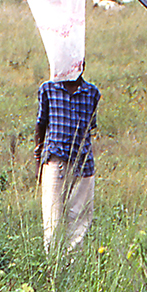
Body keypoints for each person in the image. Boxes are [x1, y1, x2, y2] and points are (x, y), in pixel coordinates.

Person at [34, 75, 100, 251]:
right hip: (55, 163)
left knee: (78, 222)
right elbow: (41, 125)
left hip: (83, 165)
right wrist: (39, 162)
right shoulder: (49, 89)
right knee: (52, 221)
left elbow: (90, 126)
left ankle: (73, 263)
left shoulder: (91, 92)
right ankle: (53, 264)